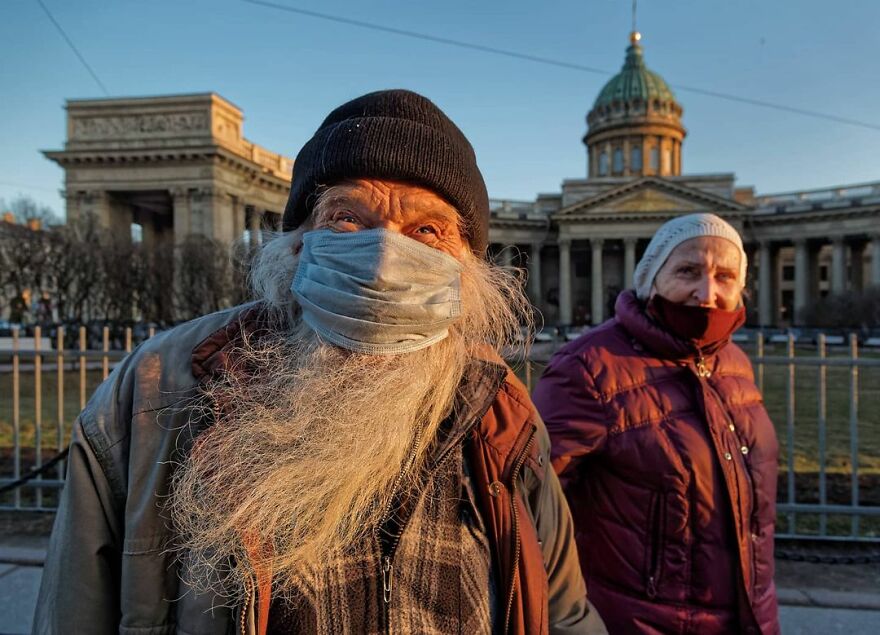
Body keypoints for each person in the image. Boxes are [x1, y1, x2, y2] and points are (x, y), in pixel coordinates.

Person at [35, 89, 605, 635]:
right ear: (295, 242)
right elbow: (77, 605)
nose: (385, 255)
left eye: (426, 230)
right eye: (346, 217)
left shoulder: (499, 407)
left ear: (468, 265)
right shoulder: (155, 390)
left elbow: (560, 610)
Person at [533, 213, 779, 634]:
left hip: (746, 617)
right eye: (687, 271)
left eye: (725, 276)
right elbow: (532, 509)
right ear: (650, 278)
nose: (707, 293)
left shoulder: (732, 364)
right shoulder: (589, 368)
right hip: (634, 621)